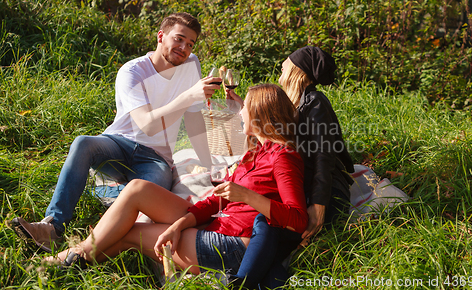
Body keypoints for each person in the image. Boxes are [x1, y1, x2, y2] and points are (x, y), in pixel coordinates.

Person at [43, 84, 308, 279]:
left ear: (261, 114)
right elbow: (216, 200)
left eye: (245, 108)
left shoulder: (283, 156)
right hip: (218, 223)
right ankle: (70, 261)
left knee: (130, 234)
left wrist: (248, 197)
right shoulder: (255, 153)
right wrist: (179, 225)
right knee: (137, 188)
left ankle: (62, 263)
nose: (240, 114)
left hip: (233, 245)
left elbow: (298, 220)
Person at [11, 12, 220, 253]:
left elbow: (194, 118)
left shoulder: (191, 65)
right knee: (83, 143)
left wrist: (208, 165)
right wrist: (187, 96)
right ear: (161, 36)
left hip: (156, 157)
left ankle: (92, 236)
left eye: (190, 44)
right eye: (179, 39)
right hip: (118, 143)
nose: (184, 48)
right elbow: (147, 125)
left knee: (144, 204)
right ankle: (53, 228)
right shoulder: (132, 72)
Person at [226, 46, 354, 288]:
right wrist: (246, 107)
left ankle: (241, 284)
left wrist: (318, 204)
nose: (281, 69)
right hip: (307, 190)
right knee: (269, 246)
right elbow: (272, 128)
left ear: (297, 70)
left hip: (328, 193)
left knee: (267, 227)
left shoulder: (315, 101)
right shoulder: (298, 104)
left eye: (284, 65)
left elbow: (324, 154)